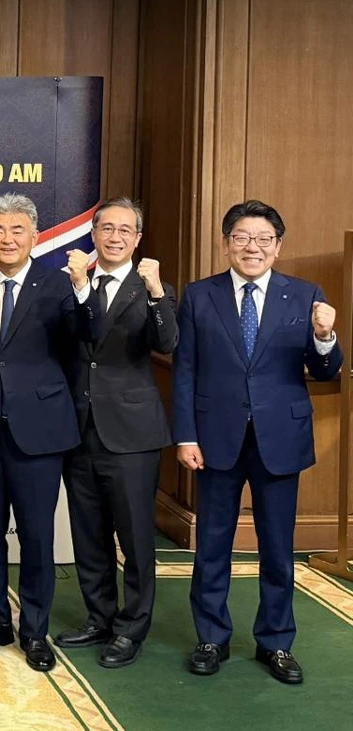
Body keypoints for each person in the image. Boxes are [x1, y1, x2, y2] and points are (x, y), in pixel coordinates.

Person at [174, 200, 341, 684]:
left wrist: (325, 336)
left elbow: (326, 370)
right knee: (212, 546)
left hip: (279, 438)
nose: (253, 247)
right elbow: (185, 371)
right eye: (243, 238)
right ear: (226, 243)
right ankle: (211, 638)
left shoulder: (305, 295)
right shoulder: (199, 296)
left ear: (278, 246)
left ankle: (276, 642)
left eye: (264, 239)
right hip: (215, 439)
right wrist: (186, 435)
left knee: (277, 549)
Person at [0, 192, 101, 672]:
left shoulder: (59, 284)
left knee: (37, 537)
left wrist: (82, 288)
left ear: (35, 236)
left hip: (39, 431)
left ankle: (34, 631)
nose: (8, 239)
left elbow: (85, 334)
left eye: (17, 230)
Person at [54, 198, 177, 668]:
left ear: (138, 238)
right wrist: (80, 288)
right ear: (94, 233)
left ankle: (131, 628)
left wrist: (156, 293)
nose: (116, 237)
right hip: (78, 428)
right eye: (107, 228)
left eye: (126, 230)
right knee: (88, 534)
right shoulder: (71, 284)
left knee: (136, 538)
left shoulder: (153, 288)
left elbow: (167, 343)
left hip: (132, 434)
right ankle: (99, 617)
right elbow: (71, 341)